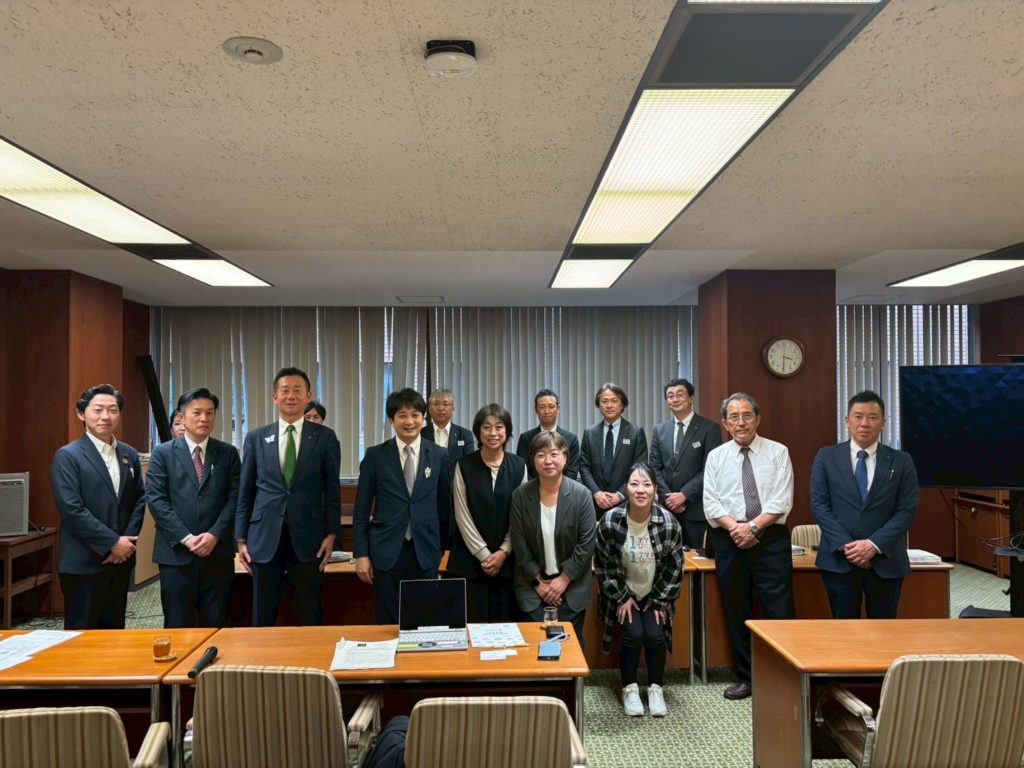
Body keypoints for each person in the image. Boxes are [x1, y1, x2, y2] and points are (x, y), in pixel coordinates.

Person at [703, 392, 794, 700]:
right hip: (729, 538)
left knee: (778, 609)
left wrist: (753, 527)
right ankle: (747, 676)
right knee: (737, 609)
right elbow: (711, 503)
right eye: (734, 417)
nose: (741, 422)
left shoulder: (778, 452)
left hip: (770, 537)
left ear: (758, 419)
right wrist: (737, 529)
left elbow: (782, 499)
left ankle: (783, 676)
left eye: (747, 416)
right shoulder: (716, 457)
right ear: (725, 423)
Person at [235, 367, 341, 626]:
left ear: (308, 397)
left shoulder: (325, 438)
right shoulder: (257, 437)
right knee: (263, 612)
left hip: (309, 536)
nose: (291, 396)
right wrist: (240, 538)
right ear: (275, 398)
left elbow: (332, 490)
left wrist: (331, 534)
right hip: (264, 536)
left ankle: (311, 653)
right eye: (285, 391)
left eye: (297, 390)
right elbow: (245, 492)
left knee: (309, 610)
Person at [811, 390, 918, 619]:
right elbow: (820, 506)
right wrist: (849, 547)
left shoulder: (902, 461)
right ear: (847, 421)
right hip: (840, 561)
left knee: (883, 630)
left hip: (886, 560)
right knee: (843, 629)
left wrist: (873, 545)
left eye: (872, 417)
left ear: (883, 423)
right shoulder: (826, 457)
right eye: (858, 417)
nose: (864, 423)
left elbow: (906, 510)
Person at [50, 384, 146, 629]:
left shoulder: (128, 454)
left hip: (121, 560)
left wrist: (125, 543)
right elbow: (72, 510)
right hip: (84, 562)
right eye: (98, 410)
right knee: (82, 635)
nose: (106, 416)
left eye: (112, 410)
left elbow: (139, 499)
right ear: (81, 414)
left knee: (114, 632)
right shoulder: (68, 456)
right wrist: (112, 543)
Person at [353, 388, 452, 624]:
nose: (409, 422)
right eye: (402, 415)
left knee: (425, 617)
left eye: (415, 415)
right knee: (387, 618)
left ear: (423, 418)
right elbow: (361, 509)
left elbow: (445, 506)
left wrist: (441, 548)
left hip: (425, 549)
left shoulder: (438, 455)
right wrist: (361, 554)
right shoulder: (375, 456)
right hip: (386, 550)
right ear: (391, 420)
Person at [595, 463, 684, 718]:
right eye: (634, 484)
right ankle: (630, 688)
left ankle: (656, 688)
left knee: (655, 635)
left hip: (655, 593)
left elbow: (675, 567)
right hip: (624, 593)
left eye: (646, 485)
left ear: (655, 489)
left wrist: (660, 601)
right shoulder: (611, 521)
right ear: (626, 488)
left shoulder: (669, 523)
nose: (640, 490)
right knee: (633, 634)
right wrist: (622, 597)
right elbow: (603, 565)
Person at [146, 388, 241, 628]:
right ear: (182, 417)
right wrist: (187, 538)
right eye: (197, 412)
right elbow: (157, 501)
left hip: (217, 552)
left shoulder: (228, 453)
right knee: (177, 624)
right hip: (176, 554)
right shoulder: (163, 453)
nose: (204, 418)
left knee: (217, 623)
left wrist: (214, 534)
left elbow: (235, 499)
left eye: (210, 413)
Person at [509, 432, 597, 644]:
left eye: (554, 454)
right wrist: (538, 583)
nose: (548, 461)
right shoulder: (520, 495)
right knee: (534, 649)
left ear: (565, 458)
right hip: (532, 587)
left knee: (568, 649)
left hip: (572, 587)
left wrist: (564, 580)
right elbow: (519, 544)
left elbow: (586, 544)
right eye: (541, 455)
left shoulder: (582, 495)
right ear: (533, 460)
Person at [447, 404, 527, 622]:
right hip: (470, 564)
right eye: (486, 427)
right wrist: (483, 554)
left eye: (499, 427)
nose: (493, 433)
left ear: (507, 431)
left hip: (508, 565)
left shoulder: (519, 466)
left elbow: (520, 517)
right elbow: (462, 514)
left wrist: (503, 551)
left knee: (507, 630)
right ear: (478, 431)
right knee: (471, 627)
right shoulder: (464, 465)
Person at [648, 378, 722, 549]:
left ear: (690, 398)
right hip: (667, 511)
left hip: (696, 510)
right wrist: (669, 498)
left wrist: (684, 494)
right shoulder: (660, 430)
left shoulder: (709, 428)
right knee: (666, 557)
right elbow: (654, 468)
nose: (675, 399)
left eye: (680, 394)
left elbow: (710, 469)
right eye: (670, 396)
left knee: (698, 560)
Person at [579, 383, 649, 516]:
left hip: (626, 501)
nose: (609, 405)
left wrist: (620, 494)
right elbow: (584, 466)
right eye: (604, 401)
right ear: (599, 405)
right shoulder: (590, 433)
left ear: (623, 404)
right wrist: (596, 493)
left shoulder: (635, 432)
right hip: (596, 502)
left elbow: (640, 467)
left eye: (614, 401)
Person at [515, 388, 581, 480]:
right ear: (536, 410)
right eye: (542, 407)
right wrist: (540, 487)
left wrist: (557, 487)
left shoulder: (571, 439)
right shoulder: (525, 438)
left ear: (558, 409)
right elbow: (523, 469)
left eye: (551, 407)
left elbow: (572, 471)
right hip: (533, 488)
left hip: (563, 488)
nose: (546, 411)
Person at [421, 388, 475, 464]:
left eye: (445, 404)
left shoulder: (465, 435)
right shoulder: (421, 434)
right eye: (436, 404)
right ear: (430, 409)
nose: (440, 408)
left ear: (452, 410)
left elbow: (469, 464)